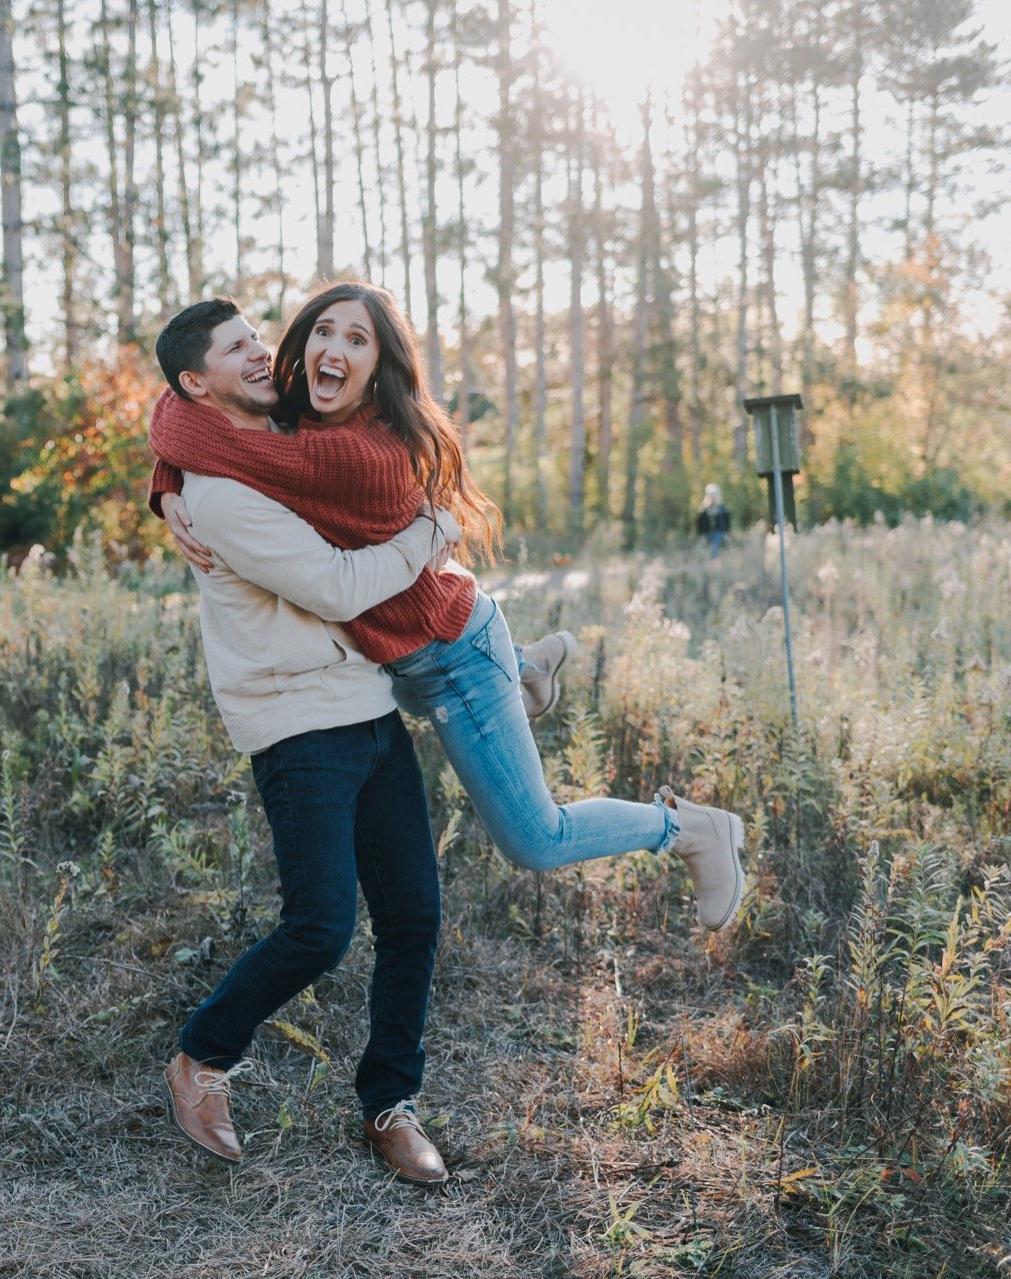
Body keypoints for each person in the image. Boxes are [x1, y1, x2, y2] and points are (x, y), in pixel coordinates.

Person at [147, 282, 746, 933]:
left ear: (380, 368)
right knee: (432, 701)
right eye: (322, 331)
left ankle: (690, 829)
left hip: (452, 656)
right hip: (418, 656)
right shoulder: (301, 413)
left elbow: (210, 432)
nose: (332, 349)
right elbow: (191, 410)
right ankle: (523, 666)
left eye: (357, 340)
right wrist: (167, 482)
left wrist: (181, 474)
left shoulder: (346, 453)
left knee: (535, 839)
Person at [151, 298, 557, 1186]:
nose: (264, 353)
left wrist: (159, 479)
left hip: (363, 703)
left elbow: (182, 426)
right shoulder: (218, 494)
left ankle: (389, 1103)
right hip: (298, 722)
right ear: (195, 383)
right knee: (322, 927)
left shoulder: (276, 438)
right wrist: (432, 531)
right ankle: (200, 1057)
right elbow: (338, 585)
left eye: (259, 336)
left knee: (414, 912)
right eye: (237, 348)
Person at [696, 484, 731, 556]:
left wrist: (726, 532)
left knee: (715, 547)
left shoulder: (722, 509)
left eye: (714, 496)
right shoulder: (704, 510)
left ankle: (714, 562)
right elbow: (699, 523)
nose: (713, 498)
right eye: (711, 496)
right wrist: (700, 535)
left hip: (718, 532)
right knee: (701, 549)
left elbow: (726, 521)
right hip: (707, 533)